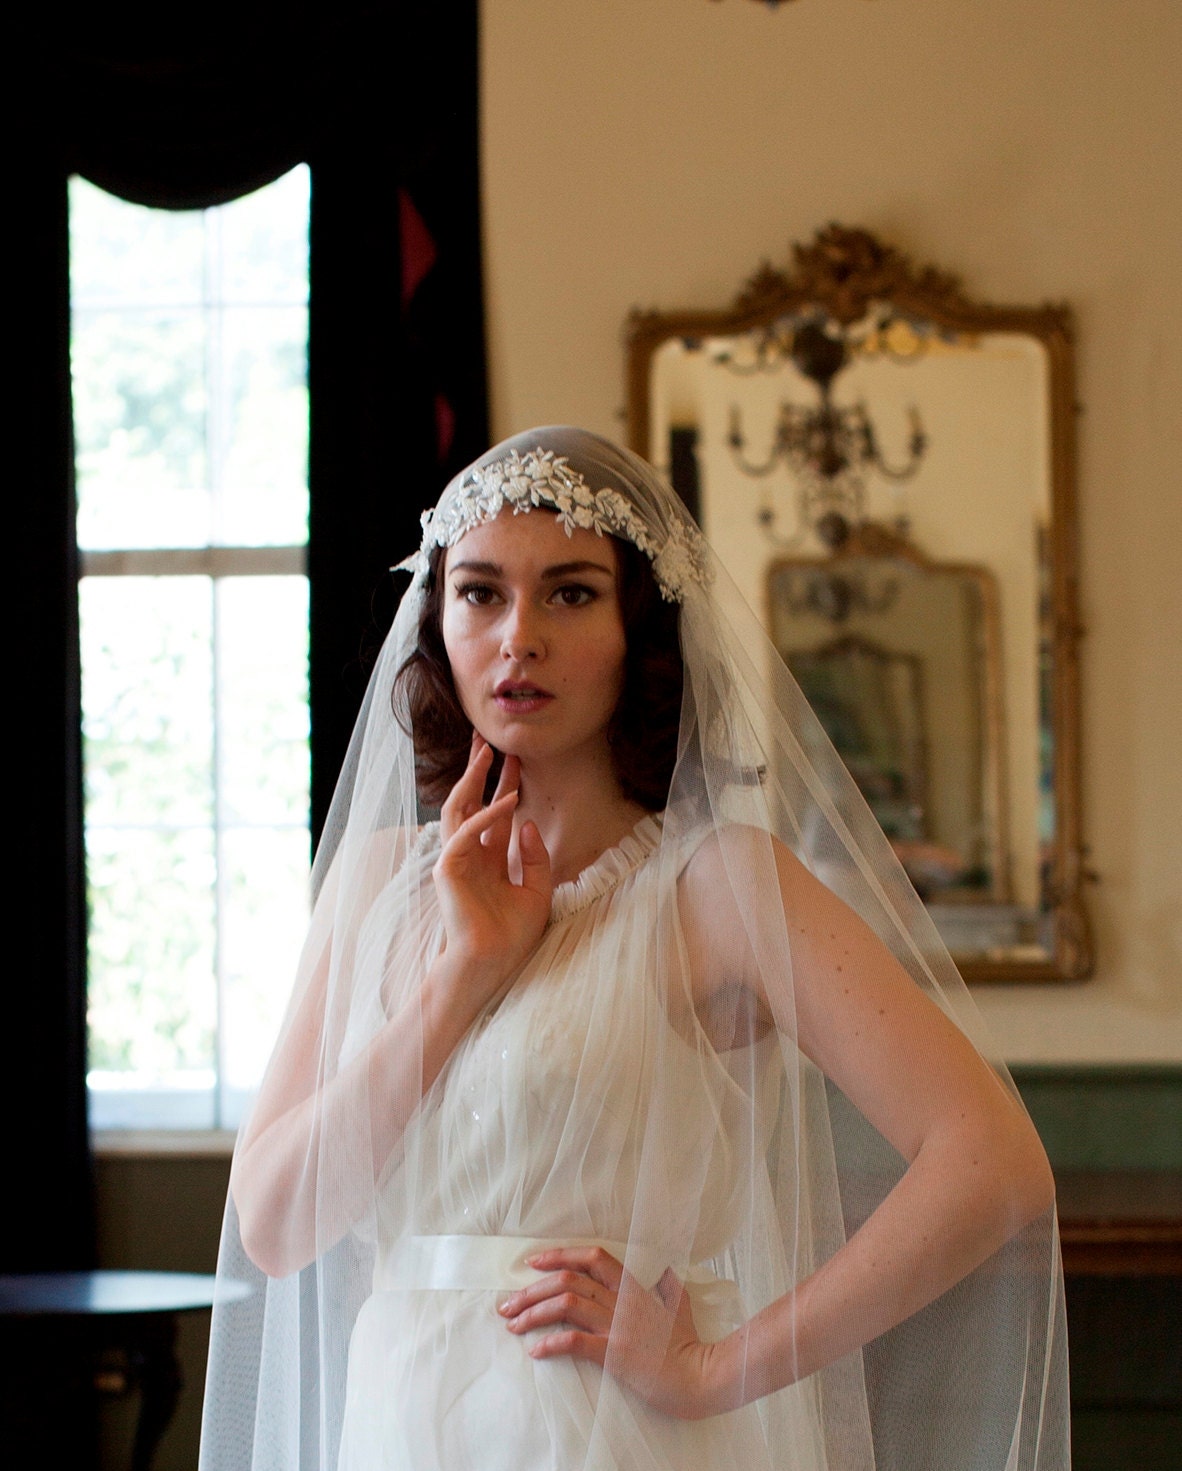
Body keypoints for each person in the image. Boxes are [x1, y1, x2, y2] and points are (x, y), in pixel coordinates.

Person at [199, 427, 1069, 1471]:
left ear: (639, 632)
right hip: (399, 1427)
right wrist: (462, 974)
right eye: (480, 593)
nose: (518, 636)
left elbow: (992, 1162)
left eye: (569, 593)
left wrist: (716, 1366)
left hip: (624, 1437)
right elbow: (276, 1226)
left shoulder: (720, 887)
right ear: (438, 622)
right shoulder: (378, 880)